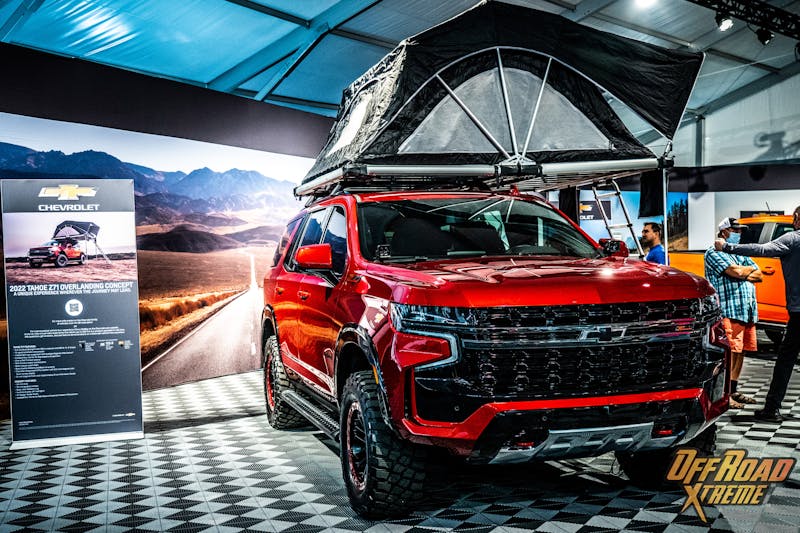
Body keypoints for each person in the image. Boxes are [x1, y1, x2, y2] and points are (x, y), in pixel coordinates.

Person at [715, 205, 800, 422]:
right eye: (736, 231)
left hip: (798, 313)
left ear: (797, 218)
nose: (739, 234)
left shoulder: (793, 239)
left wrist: (727, 247)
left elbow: (762, 250)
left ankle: (771, 409)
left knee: (786, 360)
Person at [705, 217, 762, 409]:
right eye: (735, 230)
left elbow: (759, 274)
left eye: (739, 231)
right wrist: (744, 272)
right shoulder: (713, 252)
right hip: (728, 310)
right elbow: (734, 272)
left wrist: (742, 271)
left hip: (746, 310)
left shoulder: (739, 253)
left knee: (740, 351)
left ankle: (733, 390)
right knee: (729, 353)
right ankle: (723, 395)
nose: (738, 233)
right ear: (724, 232)